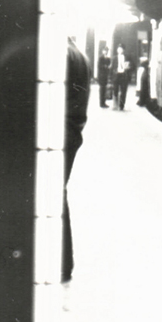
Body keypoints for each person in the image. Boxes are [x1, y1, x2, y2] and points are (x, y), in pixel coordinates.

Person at [64, 37, 91, 282]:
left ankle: (62, 263)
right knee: (57, 193)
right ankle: (64, 263)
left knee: (53, 193)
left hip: (62, 131)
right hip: (73, 130)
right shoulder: (79, 54)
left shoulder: (64, 53)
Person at [112, 44, 131, 110]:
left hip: (124, 75)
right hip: (116, 75)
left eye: (121, 49)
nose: (119, 50)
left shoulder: (127, 57)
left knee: (123, 91)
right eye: (118, 49)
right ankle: (115, 105)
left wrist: (129, 67)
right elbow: (112, 68)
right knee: (115, 90)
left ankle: (121, 106)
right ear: (117, 50)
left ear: (123, 50)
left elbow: (132, 65)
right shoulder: (114, 58)